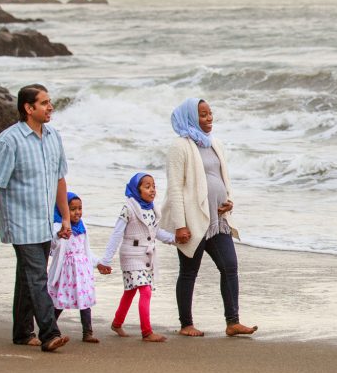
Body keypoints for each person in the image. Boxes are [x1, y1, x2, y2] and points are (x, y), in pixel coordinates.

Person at [0, 84, 71, 352]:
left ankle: (22, 332)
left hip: (44, 222)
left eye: (50, 102)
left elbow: (59, 179)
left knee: (27, 278)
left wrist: (65, 217)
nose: (50, 107)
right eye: (44, 103)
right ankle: (49, 333)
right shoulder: (8, 141)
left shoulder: (54, 136)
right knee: (36, 277)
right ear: (28, 108)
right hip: (21, 222)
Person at [161, 98, 257, 338]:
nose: (209, 118)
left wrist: (229, 200)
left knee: (230, 266)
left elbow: (223, 177)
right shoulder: (179, 147)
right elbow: (174, 188)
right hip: (194, 220)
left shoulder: (215, 143)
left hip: (218, 220)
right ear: (191, 118)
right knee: (189, 272)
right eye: (203, 115)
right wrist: (180, 225)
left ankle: (233, 322)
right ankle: (186, 324)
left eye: (210, 113)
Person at [100, 173, 176, 342]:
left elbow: (156, 233)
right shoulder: (128, 208)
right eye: (147, 186)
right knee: (145, 290)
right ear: (137, 189)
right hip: (131, 255)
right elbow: (117, 233)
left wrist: (175, 239)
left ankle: (117, 323)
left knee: (130, 291)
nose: (152, 190)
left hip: (146, 256)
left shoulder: (152, 209)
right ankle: (147, 332)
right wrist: (106, 260)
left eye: (154, 186)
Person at [48, 192, 112, 343]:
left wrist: (98, 263)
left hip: (82, 271)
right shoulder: (58, 225)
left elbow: (87, 251)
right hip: (65, 271)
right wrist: (59, 235)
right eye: (72, 209)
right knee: (59, 300)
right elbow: (52, 246)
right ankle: (50, 330)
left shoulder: (83, 227)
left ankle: (87, 332)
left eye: (80, 208)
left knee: (85, 301)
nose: (77, 212)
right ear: (63, 210)